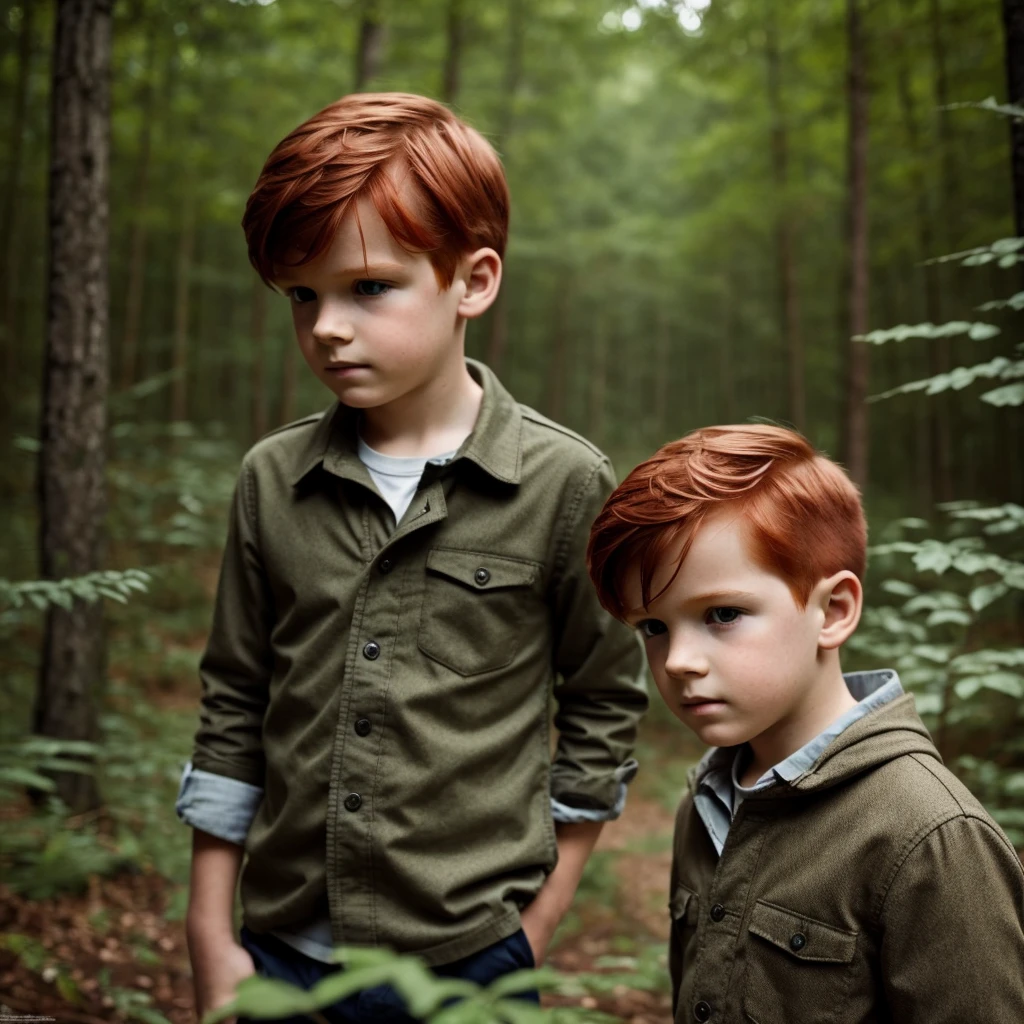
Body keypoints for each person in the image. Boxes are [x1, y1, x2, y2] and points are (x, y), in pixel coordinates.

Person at [175, 92, 647, 1024]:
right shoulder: (274, 479)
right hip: (282, 953)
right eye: (303, 295)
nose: (326, 327)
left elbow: (602, 702)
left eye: (369, 287)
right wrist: (209, 935)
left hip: (472, 959)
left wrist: (535, 929)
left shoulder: (564, 484)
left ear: (472, 281)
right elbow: (235, 697)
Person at [586, 424, 1024, 1024]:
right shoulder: (708, 804)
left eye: (722, 614)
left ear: (833, 612)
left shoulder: (929, 836)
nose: (678, 660)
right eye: (653, 628)